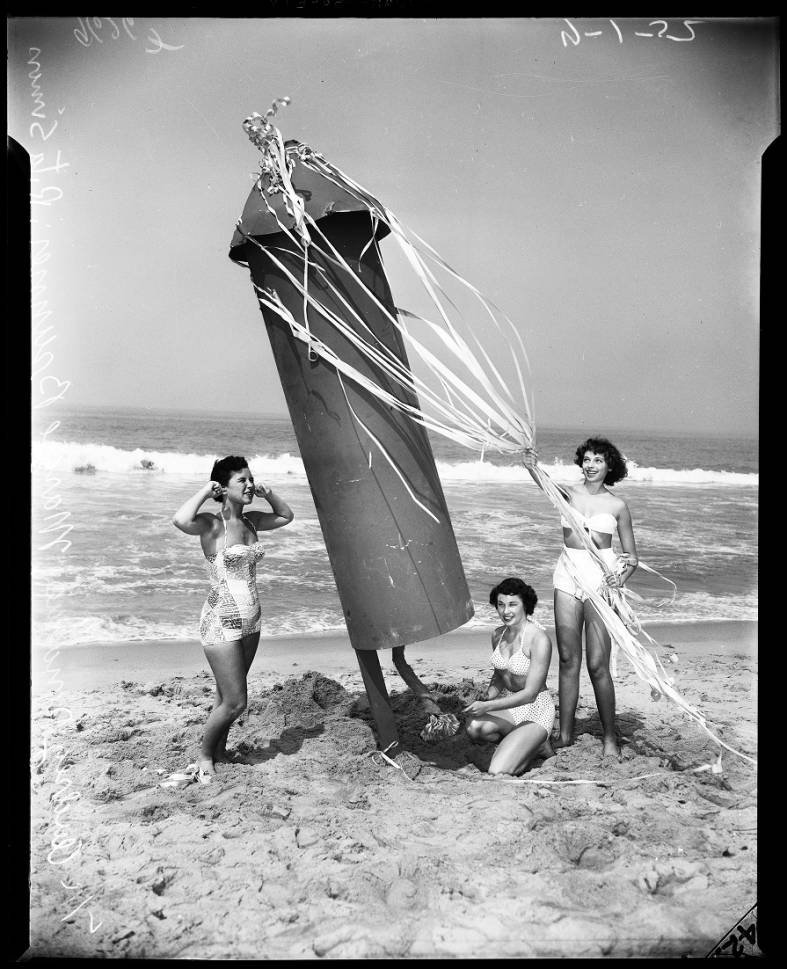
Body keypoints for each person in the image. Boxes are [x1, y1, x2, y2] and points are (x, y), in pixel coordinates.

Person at [172, 455, 294, 781]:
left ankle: (221, 751)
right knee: (237, 701)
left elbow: (286, 516)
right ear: (224, 488)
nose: (250, 484)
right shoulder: (212, 526)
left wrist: (268, 493)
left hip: (251, 621)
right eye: (243, 480)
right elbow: (180, 520)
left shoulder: (252, 522)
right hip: (219, 622)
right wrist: (205, 490)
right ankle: (203, 755)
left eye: (251, 478)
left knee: (224, 696)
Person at [523, 437, 638, 759]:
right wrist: (529, 461)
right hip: (567, 575)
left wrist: (620, 577)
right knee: (568, 659)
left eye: (598, 460)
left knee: (597, 664)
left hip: (600, 581)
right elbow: (538, 476)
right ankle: (565, 733)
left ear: (609, 466)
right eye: (586, 459)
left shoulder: (617, 506)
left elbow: (631, 557)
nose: (590, 465)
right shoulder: (567, 494)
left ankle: (610, 738)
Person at [464, 577, 555, 776]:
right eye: (501, 605)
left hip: (536, 710)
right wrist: (485, 696)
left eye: (513, 604)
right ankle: (528, 744)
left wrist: (487, 707)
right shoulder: (497, 635)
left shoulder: (539, 639)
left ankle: (535, 744)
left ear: (525, 605)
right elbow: (499, 676)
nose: (506, 611)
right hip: (511, 707)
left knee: (498, 770)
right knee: (474, 727)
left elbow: (530, 694)